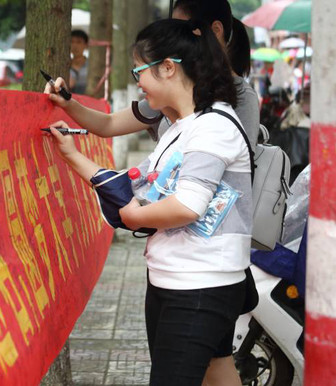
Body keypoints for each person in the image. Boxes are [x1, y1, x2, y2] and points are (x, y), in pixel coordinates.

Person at [44, 18, 252, 386]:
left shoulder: (212, 128)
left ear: (168, 68)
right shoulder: (180, 125)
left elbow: (186, 205)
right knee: (217, 369)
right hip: (183, 277)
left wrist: (133, 216)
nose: (137, 81)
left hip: (198, 285)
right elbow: (137, 186)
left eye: (139, 70)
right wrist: (73, 156)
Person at [45, 0, 259, 149]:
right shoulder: (167, 94)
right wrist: (68, 103)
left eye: (182, 29)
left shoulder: (236, 99)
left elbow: (199, 194)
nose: (173, 36)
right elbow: (108, 124)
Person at [69, 29, 89, 94]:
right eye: (72, 42)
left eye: (79, 42)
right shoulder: (64, 65)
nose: (75, 45)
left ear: (86, 45)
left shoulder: (91, 66)